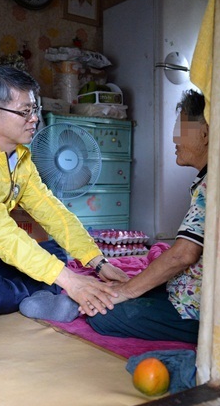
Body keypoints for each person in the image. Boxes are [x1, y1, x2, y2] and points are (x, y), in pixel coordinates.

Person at [0, 66, 128, 321]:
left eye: (35, 109)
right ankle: (40, 295)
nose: (34, 119)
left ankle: (39, 294)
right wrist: (69, 281)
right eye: (25, 111)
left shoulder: (20, 157)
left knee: (55, 254)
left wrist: (97, 261)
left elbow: (51, 211)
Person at [87, 89, 208, 344]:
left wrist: (126, 292)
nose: (174, 138)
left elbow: (185, 254)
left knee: (104, 316)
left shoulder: (212, 184)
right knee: (120, 292)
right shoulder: (207, 179)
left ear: (205, 134)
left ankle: (206, 333)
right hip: (184, 290)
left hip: (195, 309)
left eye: (180, 128)